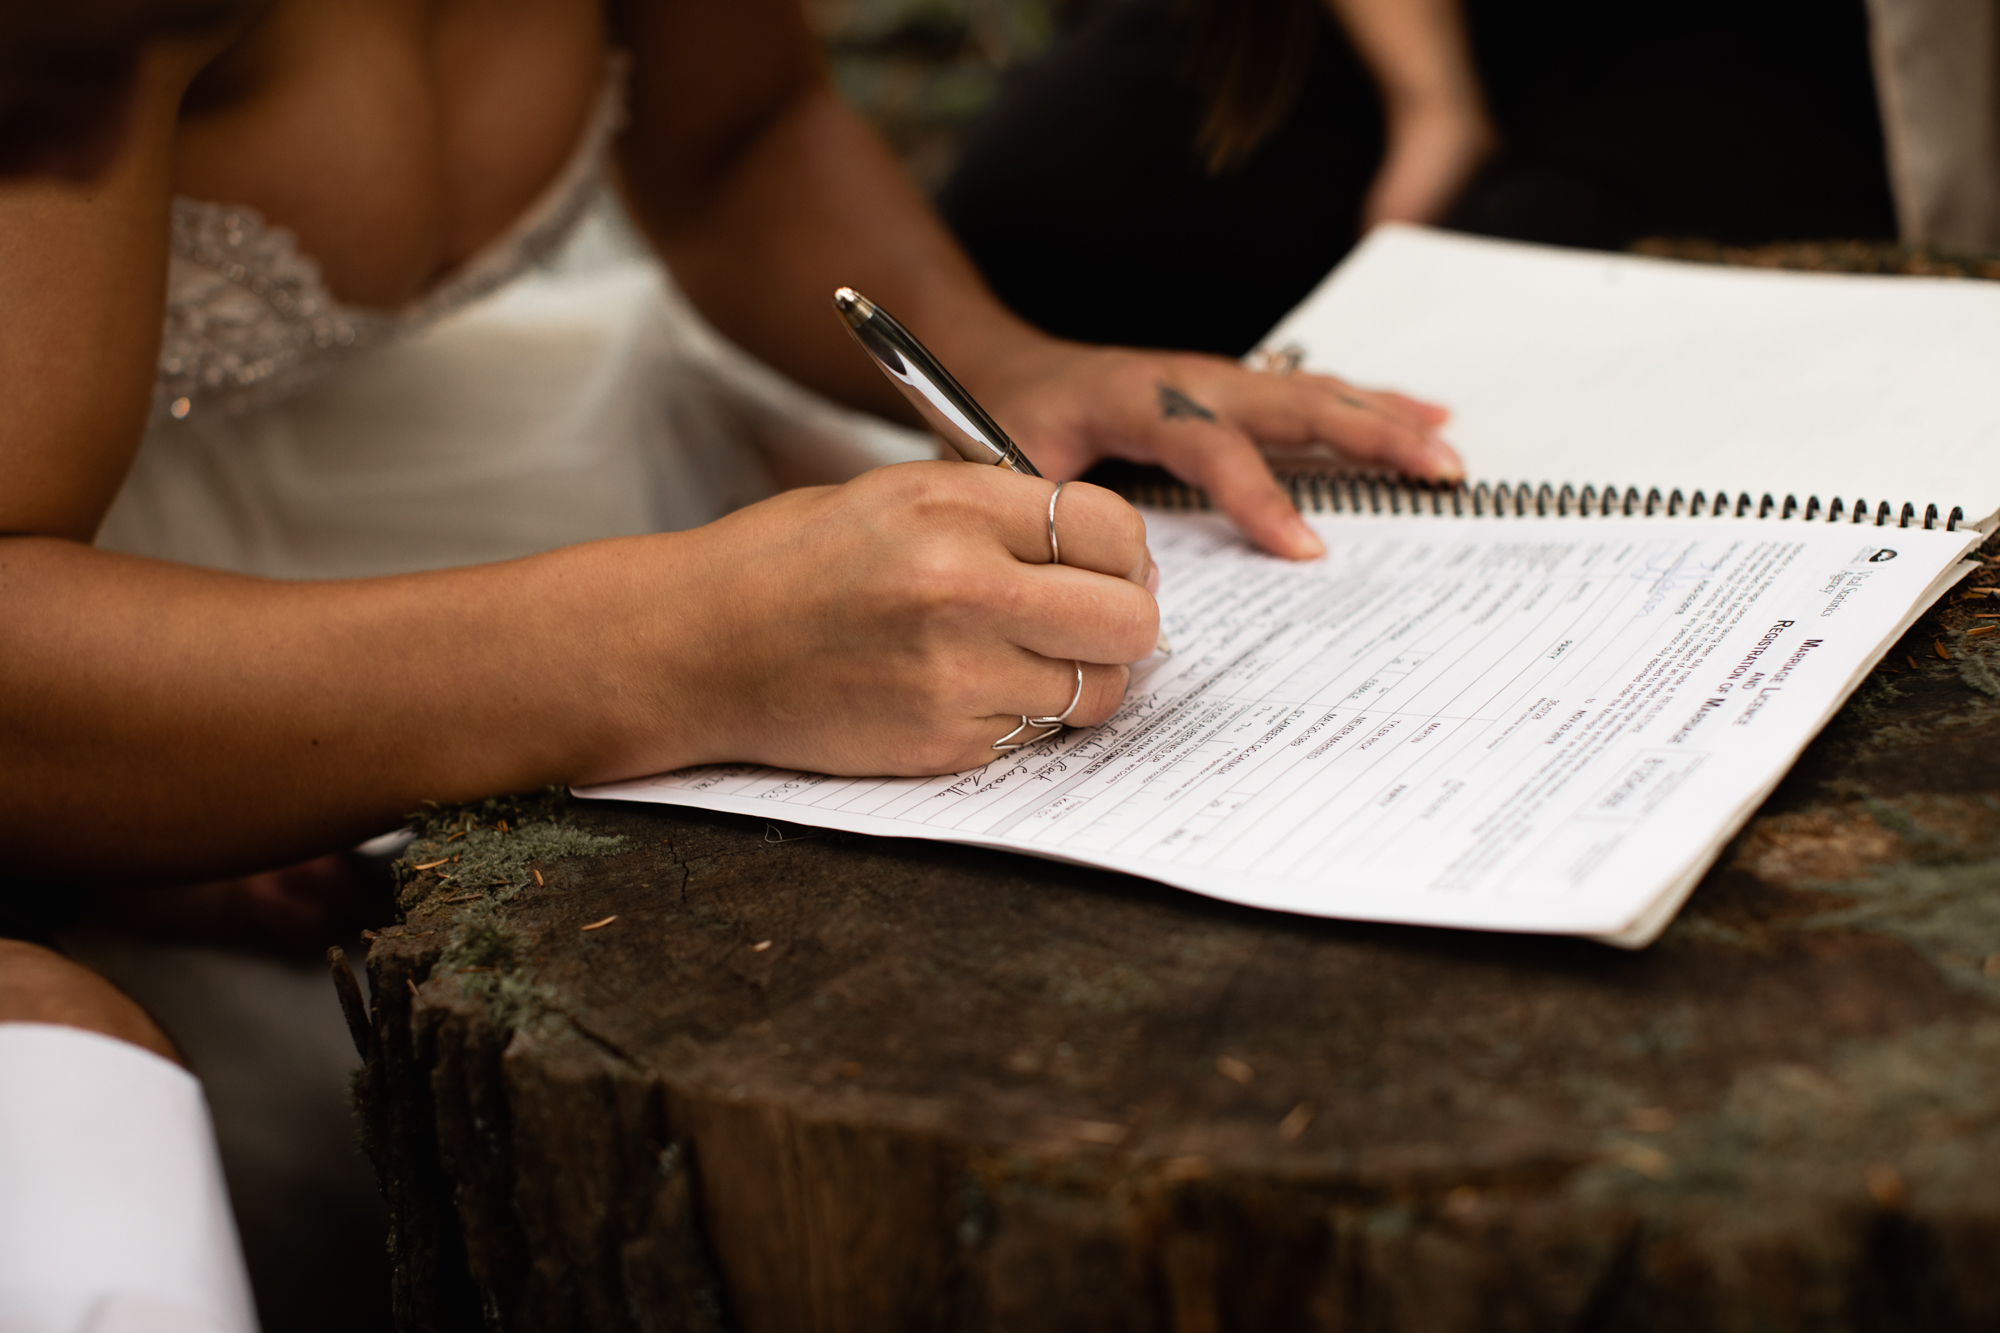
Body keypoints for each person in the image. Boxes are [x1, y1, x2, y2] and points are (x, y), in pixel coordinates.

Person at [0, 1, 1461, 1326]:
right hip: (172, 657)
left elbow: (737, 139)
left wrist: (998, 362)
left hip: (524, 476)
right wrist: (690, 639)